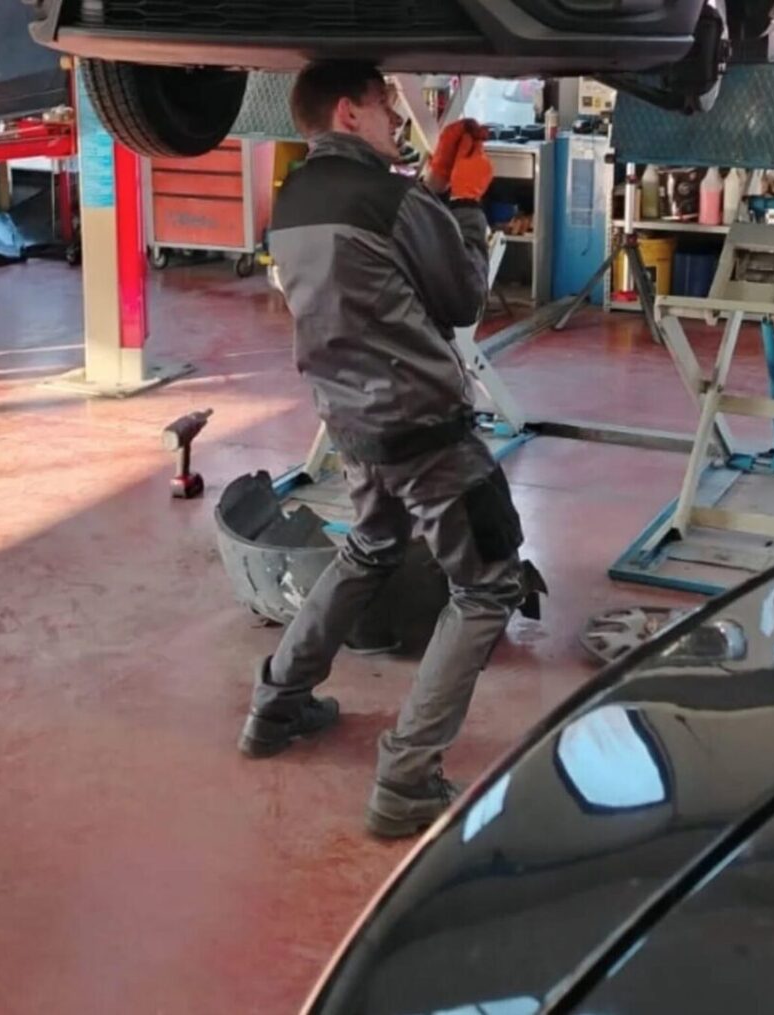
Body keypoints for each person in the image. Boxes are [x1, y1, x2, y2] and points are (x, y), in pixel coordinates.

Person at [238, 60, 529, 838]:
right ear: (348, 113)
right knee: (489, 585)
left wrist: (431, 190)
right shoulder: (390, 199)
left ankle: (276, 704)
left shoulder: (294, 198)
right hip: (423, 428)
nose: (398, 118)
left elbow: (377, 266)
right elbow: (461, 296)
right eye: (385, 106)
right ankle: (406, 777)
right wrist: (464, 202)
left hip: (352, 421)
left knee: (370, 546)